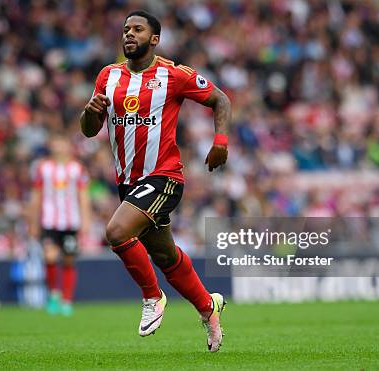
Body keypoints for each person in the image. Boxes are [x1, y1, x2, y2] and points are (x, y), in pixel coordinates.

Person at [79, 10, 231, 352]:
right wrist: (90, 111)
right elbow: (90, 131)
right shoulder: (108, 76)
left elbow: (221, 99)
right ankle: (209, 307)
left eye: (137, 29)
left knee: (116, 232)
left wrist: (220, 142)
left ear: (154, 39)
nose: (129, 34)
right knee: (165, 257)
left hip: (164, 178)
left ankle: (153, 297)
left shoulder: (173, 74)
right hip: (129, 185)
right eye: (125, 30)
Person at [29, 134, 91, 316]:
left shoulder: (77, 169)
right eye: (55, 143)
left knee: (69, 259)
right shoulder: (43, 168)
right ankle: (54, 295)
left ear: (68, 146)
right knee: (49, 256)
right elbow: (36, 195)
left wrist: (86, 220)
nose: (58, 147)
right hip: (49, 221)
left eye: (62, 143)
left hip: (71, 221)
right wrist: (33, 221)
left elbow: (84, 196)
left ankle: (67, 300)